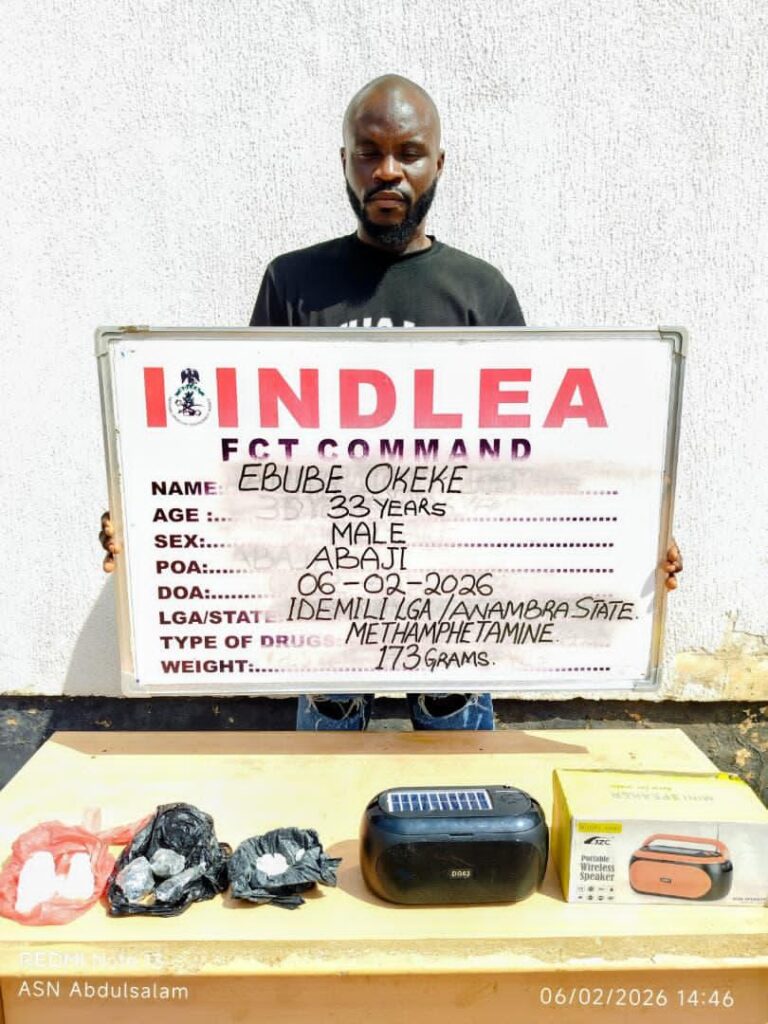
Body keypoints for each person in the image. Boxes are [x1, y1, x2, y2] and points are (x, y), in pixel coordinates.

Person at [100, 74, 684, 730]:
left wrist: (634, 537)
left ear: (438, 163)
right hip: (323, 604)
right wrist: (150, 521)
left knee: (456, 790)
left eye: (408, 153)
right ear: (344, 162)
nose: (387, 171)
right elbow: (241, 447)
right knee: (325, 787)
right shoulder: (292, 282)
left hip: (458, 609)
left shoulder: (481, 291)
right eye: (369, 152)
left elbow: (537, 461)